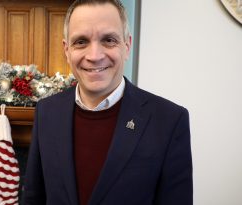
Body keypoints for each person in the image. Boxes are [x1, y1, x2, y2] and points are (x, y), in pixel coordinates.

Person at [22, 0, 193, 204]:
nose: (94, 56)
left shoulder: (169, 121)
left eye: (109, 40)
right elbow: (34, 198)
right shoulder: (46, 112)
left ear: (127, 46)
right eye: (81, 41)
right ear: (67, 50)